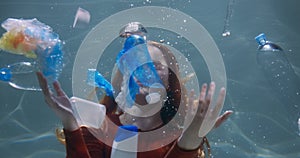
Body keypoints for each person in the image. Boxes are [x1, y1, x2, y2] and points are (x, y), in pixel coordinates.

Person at [36, 25, 233, 158]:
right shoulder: (100, 127)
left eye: (155, 66)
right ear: (123, 75)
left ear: (168, 81)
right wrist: (71, 126)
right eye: (135, 63)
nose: (144, 71)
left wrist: (191, 139)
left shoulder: (178, 135)